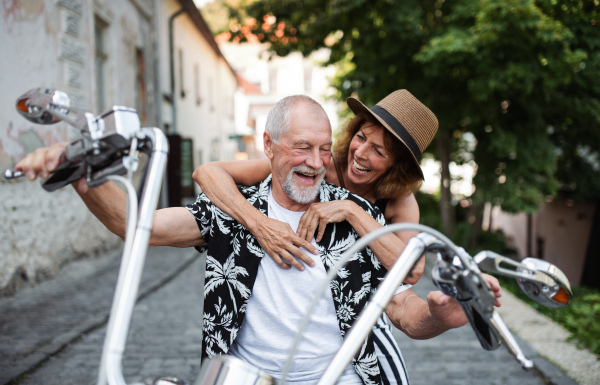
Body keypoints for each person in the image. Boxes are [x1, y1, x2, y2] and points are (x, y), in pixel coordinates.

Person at [15, 95, 501, 385]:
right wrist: (81, 177)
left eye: (319, 149)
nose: (315, 162)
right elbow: (136, 225)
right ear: (269, 148)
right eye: (301, 148)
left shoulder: (365, 216)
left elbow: (404, 310)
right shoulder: (231, 211)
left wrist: (443, 313)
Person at [193, 90, 440, 384]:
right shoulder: (318, 161)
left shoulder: (400, 201)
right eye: (362, 137)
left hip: (364, 305)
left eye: (379, 151)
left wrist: (351, 211)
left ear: (396, 167)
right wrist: (259, 223)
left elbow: (411, 271)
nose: (361, 153)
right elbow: (208, 173)